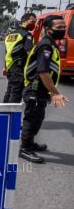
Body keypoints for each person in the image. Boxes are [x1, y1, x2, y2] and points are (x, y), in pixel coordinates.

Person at [20, 15, 68, 163]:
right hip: (34, 89)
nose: (63, 30)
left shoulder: (51, 44)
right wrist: (55, 93)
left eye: (63, 27)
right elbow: (43, 71)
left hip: (40, 89)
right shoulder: (46, 46)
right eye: (58, 28)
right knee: (31, 119)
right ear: (48, 30)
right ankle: (25, 149)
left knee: (38, 118)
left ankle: (30, 143)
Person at [3, 13, 36, 103]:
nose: (34, 24)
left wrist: (5, 67)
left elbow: (7, 52)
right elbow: (30, 53)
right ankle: (12, 115)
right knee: (16, 93)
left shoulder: (10, 35)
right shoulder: (27, 35)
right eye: (32, 21)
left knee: (9, 91)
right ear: (24, 20)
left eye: (35, 22)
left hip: (10, 67)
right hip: (19, 68)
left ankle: (3, 113)